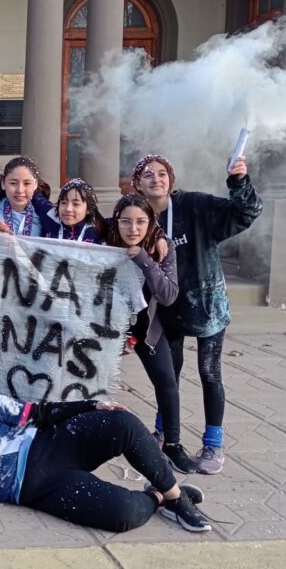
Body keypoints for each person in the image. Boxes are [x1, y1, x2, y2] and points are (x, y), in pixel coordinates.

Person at [0, 369, 211, 533]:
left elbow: (40, 413)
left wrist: (92, 405)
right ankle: (158, 497)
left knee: (122, 422)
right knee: (124, 514)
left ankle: (176, 498)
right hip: (36, 488)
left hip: (50, 444)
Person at [132, 154, 263, 474]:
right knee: (168, 375)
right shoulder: (137, 215)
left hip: (207, 305)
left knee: (209, 372)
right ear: (137, 184)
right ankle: (164, 433)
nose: (156, 179)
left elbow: (246, 212)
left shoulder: (194, 205)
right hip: (165, 309)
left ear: (171, 180)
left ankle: (213, 444)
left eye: (162, 173)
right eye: (148, 174)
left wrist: (239, 181)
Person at [107, 195, 196, 473]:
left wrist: (144, 259)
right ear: (116, 222)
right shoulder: (104, 242)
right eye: (125, 221)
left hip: (147, 328)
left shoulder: (162, 247)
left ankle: (173, 444)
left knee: (167, 382)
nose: (133, 228)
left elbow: (168, 295)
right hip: (109, 328)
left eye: (141, 222)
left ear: (151, 223)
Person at [0, 156, 51, 237]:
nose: (20, 190)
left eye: (27, 183)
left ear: (35, 184)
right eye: (13, 183)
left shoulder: (44, 218)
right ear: (3, 183)